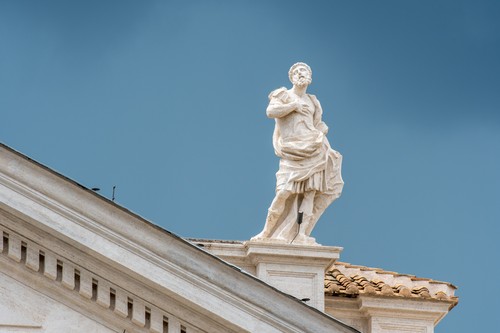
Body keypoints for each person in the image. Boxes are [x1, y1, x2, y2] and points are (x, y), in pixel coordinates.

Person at [252, 62, 344, 244]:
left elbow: (318, 124)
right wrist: (293, 106)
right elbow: (270, 111)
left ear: (310, 77)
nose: (301, 74)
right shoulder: (283, 95)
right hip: (291, 151)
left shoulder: (313, 101)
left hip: (314, 150)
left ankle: (301, 234)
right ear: (291, 77)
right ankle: (266, 232)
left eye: (305, 71)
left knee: (310, 193)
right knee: (283, 192)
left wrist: (321, 132)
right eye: (297, 71)